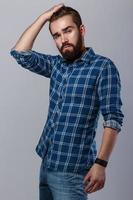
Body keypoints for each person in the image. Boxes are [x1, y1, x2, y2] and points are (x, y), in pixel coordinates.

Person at [10, 3, 124, 200]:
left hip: (72, 171)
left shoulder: (103, 67)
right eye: (56, 35)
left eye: (67, 31)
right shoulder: (57, 65)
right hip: (46, 164)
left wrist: (101, 163)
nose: (63, 39)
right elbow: (20, 53)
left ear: (82, 30)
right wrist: (43, 18)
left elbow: (113, 119)